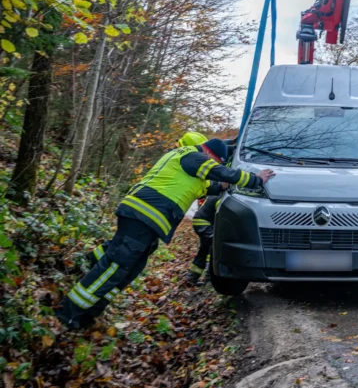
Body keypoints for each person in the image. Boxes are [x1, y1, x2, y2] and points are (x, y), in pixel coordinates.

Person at [56, 139, 275, 330]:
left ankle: (91, 309)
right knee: (118, 264)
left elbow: (214, 185)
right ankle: (69, 314)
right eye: (215, 161)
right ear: (209, 154)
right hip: (142, 215)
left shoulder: (188, 166)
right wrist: (255, 179)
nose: (214, 165)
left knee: (131, 267)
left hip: (144, 218)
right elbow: (220, 172)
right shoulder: (193, 155)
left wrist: (225, 184)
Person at [87, 131, 211, 267]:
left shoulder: (173, 158)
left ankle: (88, 262)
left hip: (135, 205)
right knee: (128, 246)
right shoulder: (184, 165)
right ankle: (92, 265)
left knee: (123, 242)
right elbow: (201, 188)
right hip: (144, 209)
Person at [186, 195, 221, 284]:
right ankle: (209, 276)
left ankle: (192, 277)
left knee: (204, 249)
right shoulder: (221, 199)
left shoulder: (215, 195)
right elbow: (221, 216)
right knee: (213, 247)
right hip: (204, 223)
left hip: (200, 222)